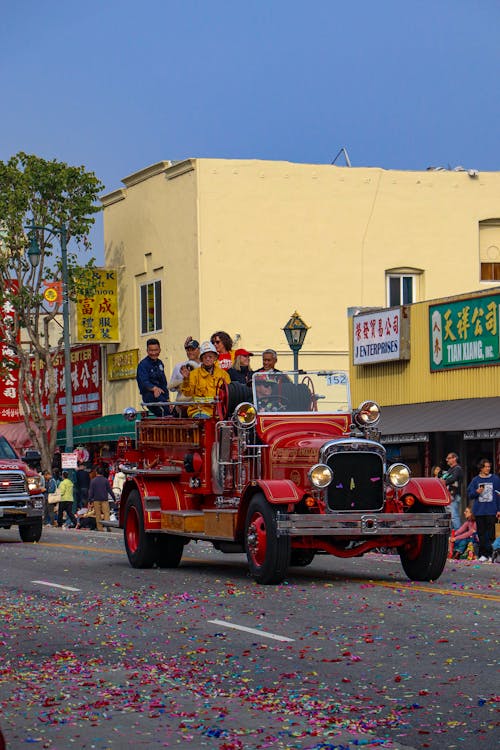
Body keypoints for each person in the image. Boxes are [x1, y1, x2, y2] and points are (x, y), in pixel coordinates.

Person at [182, 340, 230, 418]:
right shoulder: (194, 374)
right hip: (198, 411)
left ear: (215, 358)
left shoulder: (223, 375)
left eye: (210, 356)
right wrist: (186, 380)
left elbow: (229, 394)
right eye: (205, 357)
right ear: (201, 359)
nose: (208, 359)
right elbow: (187, 394)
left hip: (219, 412)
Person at [466, 458, 500, 561]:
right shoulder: (475, 480)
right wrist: (477, 491)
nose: (488, 468)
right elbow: (470, 494)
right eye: (486, 467)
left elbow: (498, 495)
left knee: (490, 533)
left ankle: (490, 554)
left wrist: (499, 509)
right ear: (481, 468)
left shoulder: (495, 479)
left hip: (491, 510)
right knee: (481, 533)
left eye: (489, 467)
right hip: (479, 511)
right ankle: (483, 554)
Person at [136, 338, 171, 416]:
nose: (154, 353)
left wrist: (168, 399)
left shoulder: (160, 363)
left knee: (172, 410)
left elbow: (163, 382)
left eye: (156, 350)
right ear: (147, 351)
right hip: (149, 395)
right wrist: (154, 388)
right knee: (165, 412)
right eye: (151, 350)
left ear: (159, 350)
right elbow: (144, 382)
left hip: (161, 395)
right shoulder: (143, 365)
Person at [89, 466, 116, 532]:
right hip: (104, 499)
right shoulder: (105, 480)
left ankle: (99, 528)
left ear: (96, 472)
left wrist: (90, 499)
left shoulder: (93, 481)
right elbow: (110, 490)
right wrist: (114, 498)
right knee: (106, 513)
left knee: (98, 514)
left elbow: (91, 491)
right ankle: (108, 526)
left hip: (96, 500)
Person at [442, 452, 463, 530]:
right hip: (449, 495)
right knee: (451, 515)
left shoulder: (457, 468)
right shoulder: (450, 469)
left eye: (449, 458)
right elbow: (444, 477)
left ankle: (458, 536)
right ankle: (454, 535)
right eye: (447, 458)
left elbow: (453, 478)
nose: (447, 460)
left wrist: (443, 481)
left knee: (454, 516)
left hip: (454, 494)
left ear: (455, 458)